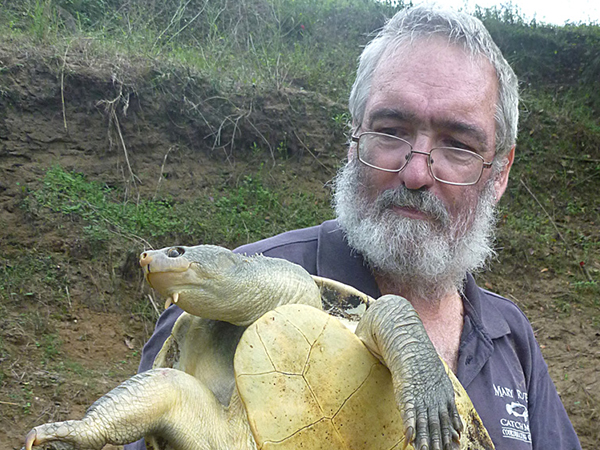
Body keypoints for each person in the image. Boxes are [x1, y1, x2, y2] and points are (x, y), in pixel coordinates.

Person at [129, 5, 581, 450]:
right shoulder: (225, 294)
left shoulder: (509, 336)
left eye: (458, 145)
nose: (416, 174)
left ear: (499, 173)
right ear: (353, 139)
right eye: (391, 130)